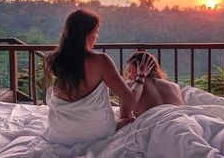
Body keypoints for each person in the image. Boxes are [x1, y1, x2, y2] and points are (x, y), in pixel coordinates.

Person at [44, 9, 154, 146]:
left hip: (59, 134)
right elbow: (131, 100)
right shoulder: (100, 60)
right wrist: (141, 77)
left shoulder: (55, 59)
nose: (97, 36)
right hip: (95, 133)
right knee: (132, 121)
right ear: (85, 34)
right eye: (95, 31)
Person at [120, 51, 184, 120]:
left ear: (140, 68)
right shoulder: (175, 86)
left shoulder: (130, 85)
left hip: (157, 126)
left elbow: (124, 118)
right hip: (182, 122)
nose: (128, 76)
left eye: (130, 71)